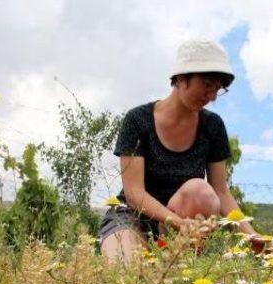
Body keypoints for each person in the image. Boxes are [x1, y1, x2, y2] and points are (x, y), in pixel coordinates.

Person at [100, 40, 261, 264]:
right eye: (206, 85)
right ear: (182, 78)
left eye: (217, 89)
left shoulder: (212, 126)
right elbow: (134, 193)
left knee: (201, 190)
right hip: (134, 215)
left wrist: (251, 235)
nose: (212, 96)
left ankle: (178, 265)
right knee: (126, 271)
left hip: (184, 221)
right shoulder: (137, 120)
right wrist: (178, 222)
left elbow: (221, 192)